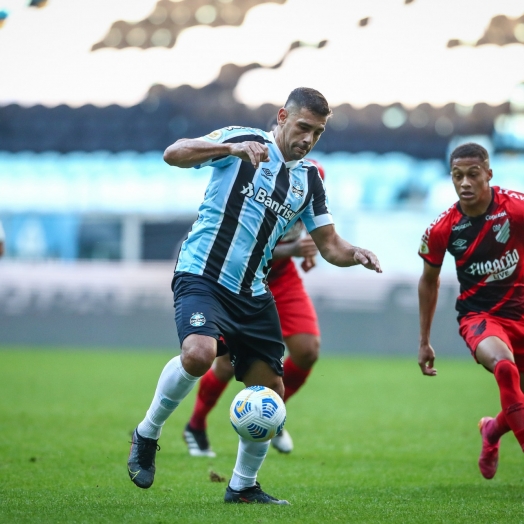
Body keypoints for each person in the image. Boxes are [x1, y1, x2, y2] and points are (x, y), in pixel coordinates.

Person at [127, 87, 382, 505]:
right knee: (198, 355)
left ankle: (242, 486)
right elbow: (173, 153)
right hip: (203, 274)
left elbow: (330, 245)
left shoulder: (310, 179)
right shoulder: (245, 141)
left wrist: (354, 253)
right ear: (282, 117)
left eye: (317, 133)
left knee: (270, 394)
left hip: (252, 292)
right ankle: (147, 432)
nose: (308, 139)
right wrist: (229, 147)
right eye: (303, 127)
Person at [182, 161, 326, 458]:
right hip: (240, 279)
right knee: (228, 363)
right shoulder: (254, 182)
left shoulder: (310, 183)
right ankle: (195, 425)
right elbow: (248, 247)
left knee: (307, 349)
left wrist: (311, 247)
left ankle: (272, 412)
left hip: (282, 278)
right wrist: (296, 250)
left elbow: (311, 229)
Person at [418, 142, 524, 481]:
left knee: (517, 398)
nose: (464, 183)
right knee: (505, 370)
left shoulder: (516, 210)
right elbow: (428, 282)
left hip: (521, 311)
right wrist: (424, 340)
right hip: (480, 318)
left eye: (472, 175)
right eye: (457, 176)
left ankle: (491, 431)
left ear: (488, 175)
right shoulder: (443, 228)